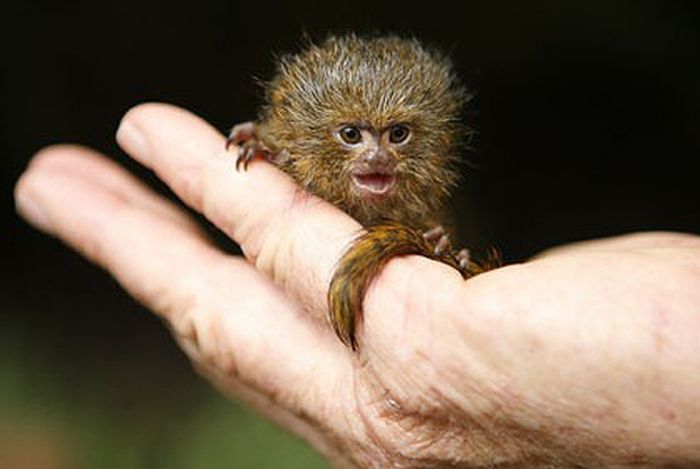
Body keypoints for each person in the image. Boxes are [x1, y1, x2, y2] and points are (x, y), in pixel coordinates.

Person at [14, 103, 700, 467]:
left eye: (397, 136)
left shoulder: (429, 206)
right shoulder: (284, 161)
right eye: (352, 136)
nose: (376, 155)